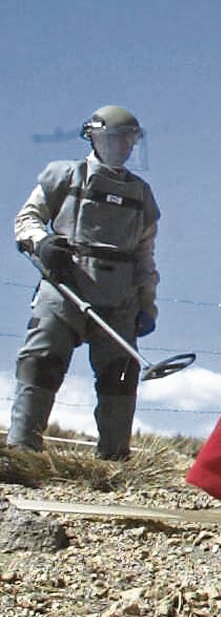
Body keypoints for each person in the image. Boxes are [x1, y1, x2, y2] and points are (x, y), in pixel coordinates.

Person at [10, 106, 159, 459]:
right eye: (116, 138)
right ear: (94, 137)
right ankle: (22, 455)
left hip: (120, 297)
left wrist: (147, 304)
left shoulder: (141, 195)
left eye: (129, 140)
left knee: (120, 376)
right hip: (64, 288)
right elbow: (27, 219)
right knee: (41, 361)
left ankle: (115, 461)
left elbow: (145, 255)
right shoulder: (65, 176)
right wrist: (42, 242)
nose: (123, 146)